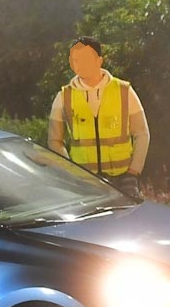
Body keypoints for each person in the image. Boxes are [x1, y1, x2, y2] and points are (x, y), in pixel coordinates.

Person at [46, 37, 149, 201]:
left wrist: (133, 173)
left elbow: (142, 134)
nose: (79, 65)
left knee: (126, 225)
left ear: (99, 60)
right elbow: (54, 140)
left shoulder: (124, 91)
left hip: (123, 180)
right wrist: (71, 172)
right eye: (75, 60)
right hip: (83, 183)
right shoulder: (64, 96)